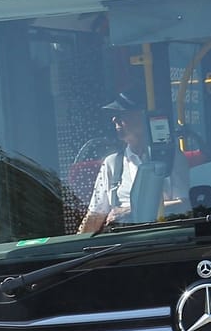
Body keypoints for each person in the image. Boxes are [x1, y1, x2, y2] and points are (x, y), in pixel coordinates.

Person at [77, 92, 190, 233]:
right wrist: (73, 247)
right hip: (124, 244)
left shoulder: (170, 157)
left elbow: (184, 206)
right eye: (114, 116)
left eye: (121, 115)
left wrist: (129, 211)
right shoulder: (112, 163)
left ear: (143, 117)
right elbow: (95, 216)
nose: (114, 120)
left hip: (163, 237)